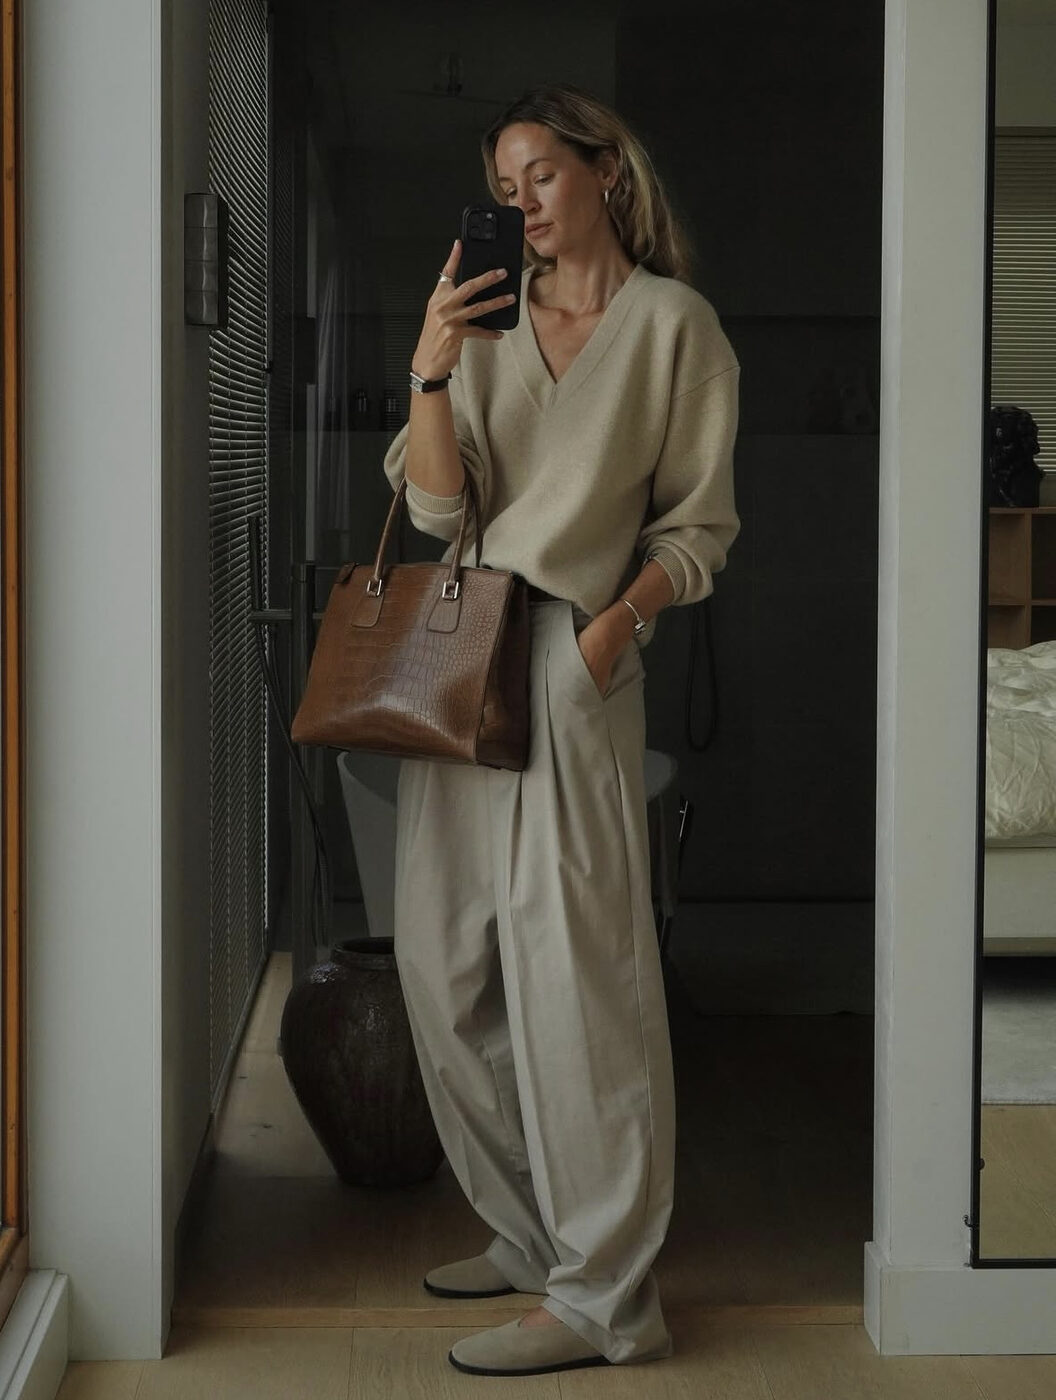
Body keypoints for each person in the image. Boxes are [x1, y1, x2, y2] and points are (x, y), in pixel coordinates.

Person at [381, 82, 740, 1377]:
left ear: (604, 171)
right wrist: (432, 365)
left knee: (581, 986)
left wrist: (612, 629)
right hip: (460, 648)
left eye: (540, 173)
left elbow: (698, 527)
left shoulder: (675, 329)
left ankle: (607, 1299)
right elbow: (436, 512)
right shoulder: (483, 326)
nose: (521, 200)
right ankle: (532, 1232)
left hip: (576, 658)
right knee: (441, 966)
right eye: (503, 183)